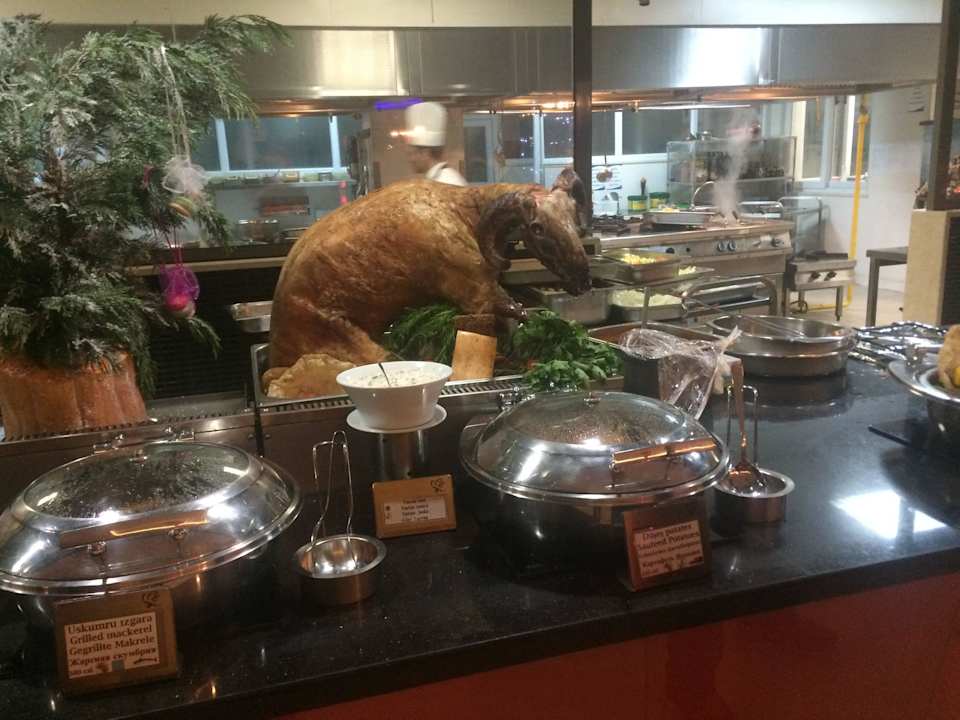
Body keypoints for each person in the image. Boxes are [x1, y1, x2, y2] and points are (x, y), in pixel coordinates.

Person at [404, 101, 467, 186]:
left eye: (412, 154)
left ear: (425, 153)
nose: (410, 160)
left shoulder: (447, 181)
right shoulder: (437, 179)